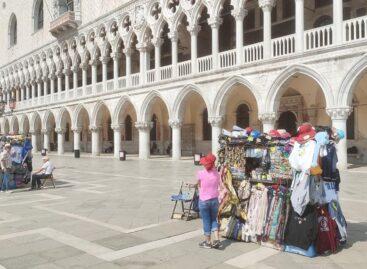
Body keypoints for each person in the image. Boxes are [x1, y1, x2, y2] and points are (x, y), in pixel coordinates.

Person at [196, 153, 221, 249]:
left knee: (206, 221)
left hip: (204, 200)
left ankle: (207, 242)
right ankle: (217, 239)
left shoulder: (200, 173)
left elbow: (199, 185)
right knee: (214, 219)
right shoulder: (217, 174)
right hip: (214, 199)